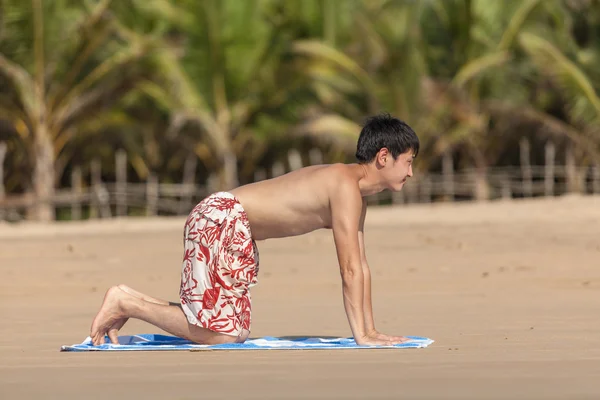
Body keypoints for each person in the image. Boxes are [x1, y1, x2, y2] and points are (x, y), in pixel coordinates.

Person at [90, 113, 419, 347]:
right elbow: (349, 269)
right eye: (408, 162)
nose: (412, 172)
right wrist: (361, 336)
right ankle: (126, 304)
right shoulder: (345, 187)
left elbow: (360, 266)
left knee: (230, 331)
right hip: (220, 219)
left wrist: (371, 331)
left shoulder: (353, 190)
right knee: (222, 335)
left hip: (232, 227)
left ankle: (129, 299)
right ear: (383, 156)